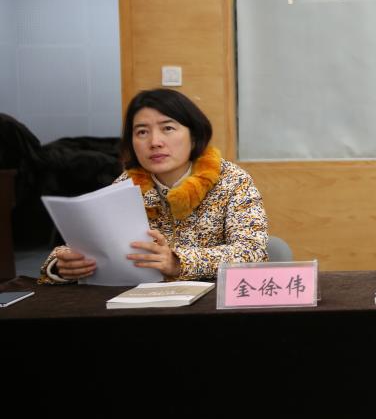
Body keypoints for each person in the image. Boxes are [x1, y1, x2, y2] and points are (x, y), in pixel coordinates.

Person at [40, 89, 268, 283]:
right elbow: (86, 245)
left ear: (194, 136)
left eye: (167, 128)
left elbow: (252, 251)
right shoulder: (126, 185)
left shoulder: (231, 180)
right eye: (142, 132)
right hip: (141, 304)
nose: (155, 142)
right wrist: (61, 266)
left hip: (211, 305)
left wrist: (177, 262)